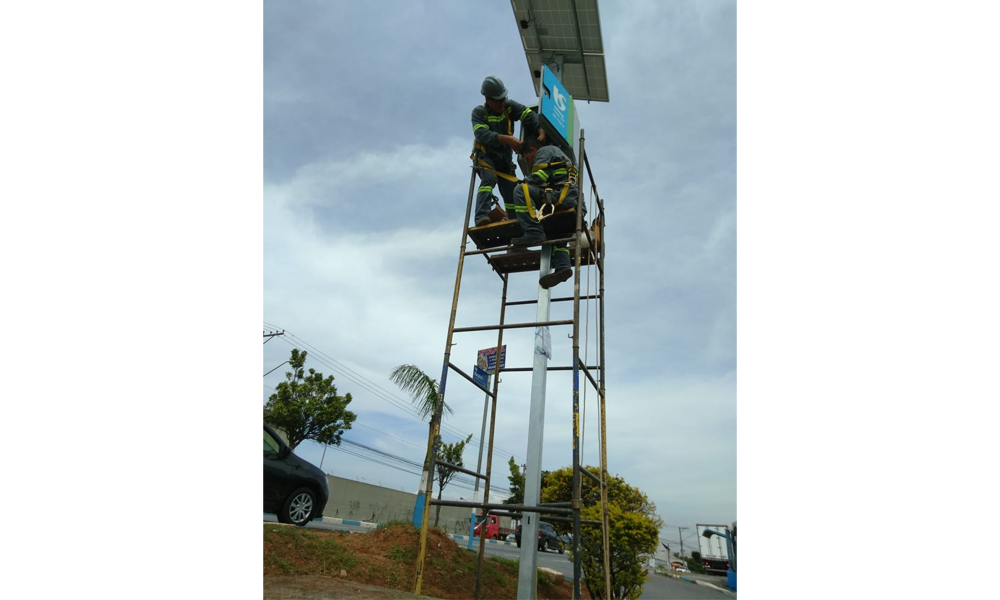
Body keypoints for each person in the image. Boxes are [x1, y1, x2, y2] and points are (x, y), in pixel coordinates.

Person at [510, 135, 585, 289]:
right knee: (557, 237)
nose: (530, 161)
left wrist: (524, 182)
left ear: (533, 150)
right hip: (575, 205)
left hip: (563, 197)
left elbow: (539, 177)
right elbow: (548, 176)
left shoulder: (544, 151)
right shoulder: (556, 155)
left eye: (528, 158)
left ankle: (533, 231)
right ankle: (563, 267)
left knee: (520, 190)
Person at [471, 76, 543, 227]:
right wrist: (508, 139)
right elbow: (482, 134)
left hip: (504, 159)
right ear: (488, 99)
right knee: (488, 179)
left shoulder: (509, 107)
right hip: (487, 157)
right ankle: (481, 216)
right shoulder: (479, 112)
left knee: (511, 190)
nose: (502, 103)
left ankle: (514, 220)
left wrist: (540, 130)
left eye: (503, 98)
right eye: (498, 100)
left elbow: (528, 115)